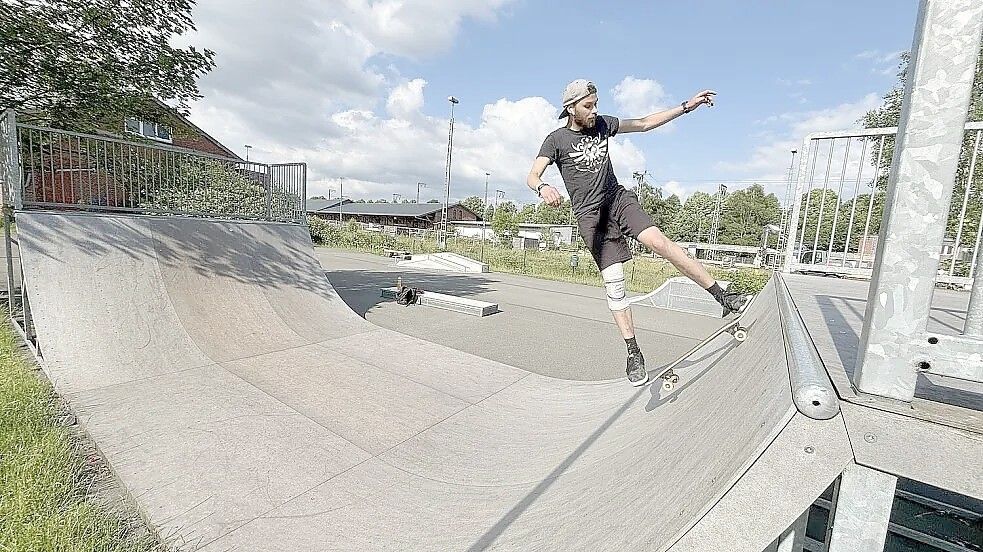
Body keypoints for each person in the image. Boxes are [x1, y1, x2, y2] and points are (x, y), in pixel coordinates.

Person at [527, 79, 750, 387]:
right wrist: (544, 187)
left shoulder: (604, 124)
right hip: (592, 217)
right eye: (588, 107)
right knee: (614, 283)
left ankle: (724, 297)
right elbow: (532, 174)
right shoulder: (555, 140)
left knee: (661, 243)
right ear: (571, 108)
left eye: (596, 104)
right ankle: (633, 352)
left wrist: (687, 106)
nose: (594, 111)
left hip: (617, 200)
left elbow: (644, 123)